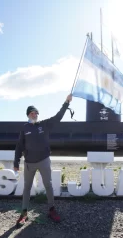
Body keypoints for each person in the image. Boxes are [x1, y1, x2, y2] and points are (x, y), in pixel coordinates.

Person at [14, 94, 72, 227]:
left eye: (36, 113)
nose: (34, 114)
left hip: (44, 161)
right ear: (28, 115)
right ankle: (24, 214)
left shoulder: (44, 125)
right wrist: (16, 162)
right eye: (32, 113)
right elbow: (19, 146)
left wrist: (66, 102)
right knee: (27, 188)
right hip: (29, 163)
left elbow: (58, 117)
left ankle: (51, 210)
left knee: (48, 185)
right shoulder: (24, 128)